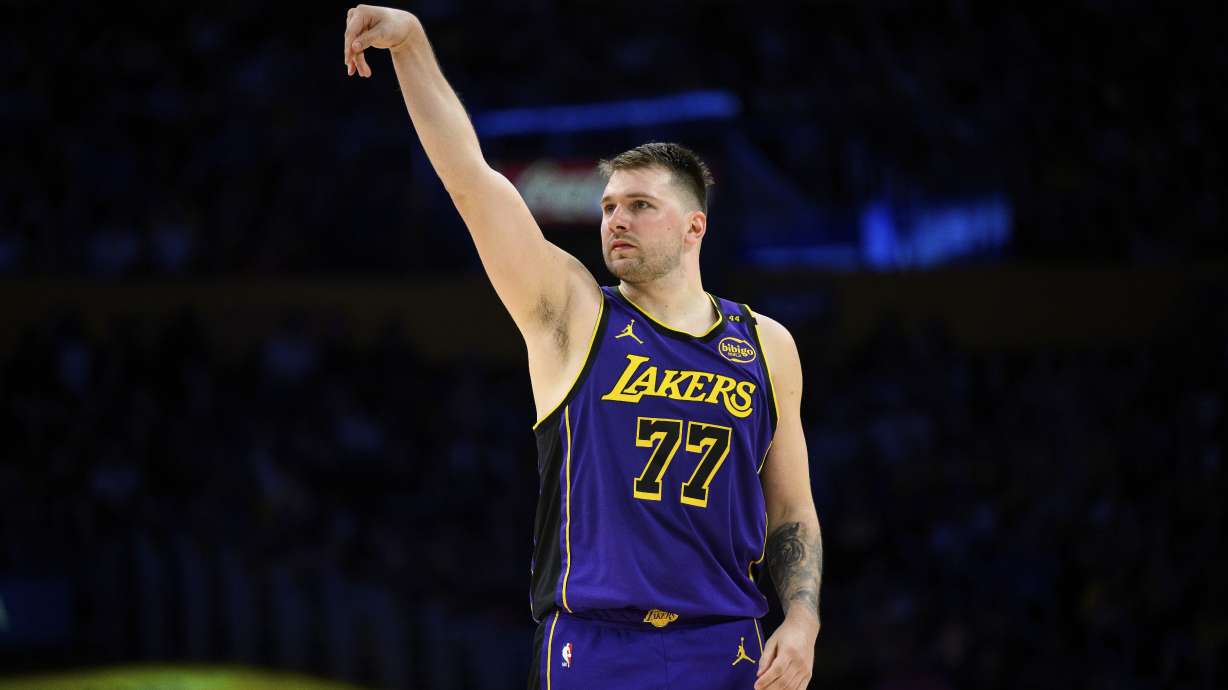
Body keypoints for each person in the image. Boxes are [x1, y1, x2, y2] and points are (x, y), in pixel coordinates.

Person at [342, 6, 823, 689]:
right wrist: (413, 45)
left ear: (694, 229)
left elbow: (792, 509)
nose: (616, 219)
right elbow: (471, 183)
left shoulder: (766, 344)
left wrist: (802, 619)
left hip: (727, 647)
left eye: (638, 206)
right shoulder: (572, 312)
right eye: (607, 207)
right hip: (597, 644)